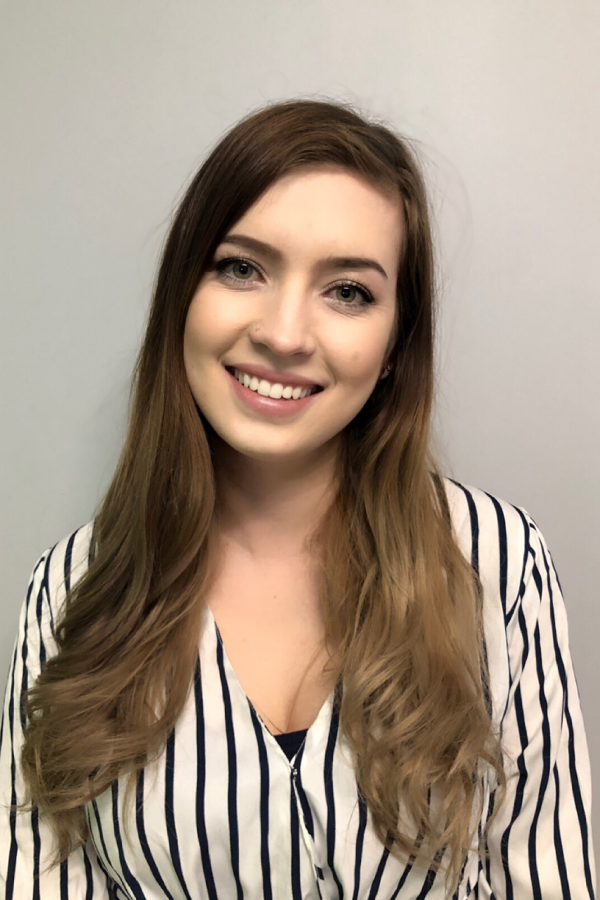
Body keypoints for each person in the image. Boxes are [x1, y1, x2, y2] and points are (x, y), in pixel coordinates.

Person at [0, 97, 596, 900]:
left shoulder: (498, 561)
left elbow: (547, 874)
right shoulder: (70, 588)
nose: (284, 335)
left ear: (395, 344)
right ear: (183, 296)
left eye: (347, 291)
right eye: (241, 268)